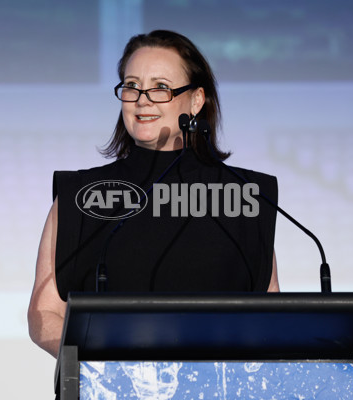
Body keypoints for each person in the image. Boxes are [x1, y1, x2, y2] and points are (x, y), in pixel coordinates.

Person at [28, 30, 280, 358]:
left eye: (160, 87)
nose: (142, 99)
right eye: (132, 86)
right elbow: (44, 313)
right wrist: (98, 362)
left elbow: (272, 313)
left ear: (197, 99)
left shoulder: (245, 196)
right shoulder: (81, 195)